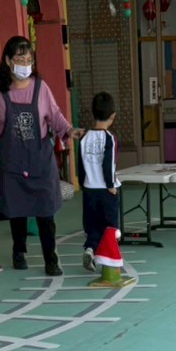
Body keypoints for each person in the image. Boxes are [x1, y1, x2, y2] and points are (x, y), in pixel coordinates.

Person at [0, 36, 73, 276]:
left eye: (28, 59)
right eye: (20, 59)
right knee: (17, 210)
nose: (25, 64)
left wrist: (69, 130)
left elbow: (55, 115)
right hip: (12, 160)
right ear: (8, 60)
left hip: (40, 159)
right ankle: (18, 251)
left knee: (45, 212)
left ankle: (51, 259)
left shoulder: (40, 87)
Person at [77, 92, 120, 274]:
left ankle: (90, 249)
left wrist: (82, 183)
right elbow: (108, 163)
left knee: (93, 224)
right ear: (113, 116)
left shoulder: (84, 137)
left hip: (89, 188)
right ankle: (110, 261)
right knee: (110, 225)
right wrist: (111, 185)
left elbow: (80, 165)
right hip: (105, 190)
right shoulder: (109, 138)